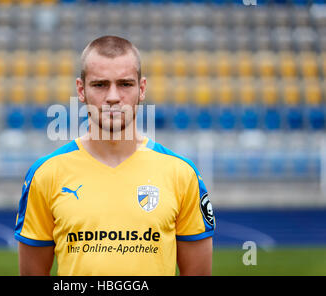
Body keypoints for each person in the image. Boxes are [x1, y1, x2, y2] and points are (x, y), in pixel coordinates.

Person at [14, 35, 215, 276]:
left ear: (141, 89)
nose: (112, 97)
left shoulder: (182, 173)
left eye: (125, 84)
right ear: (81, 90)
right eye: (100, 85)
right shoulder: (45, 174)